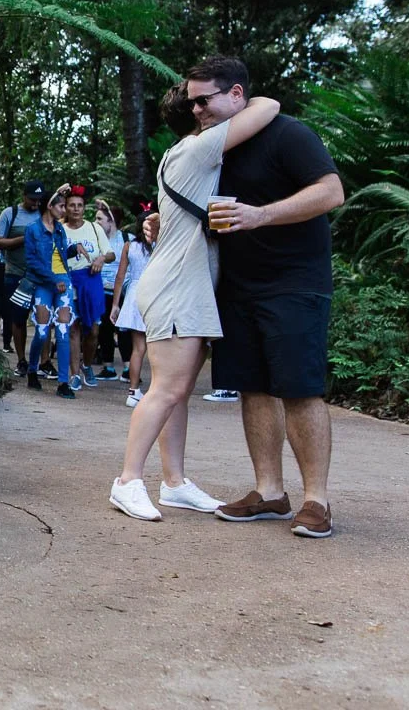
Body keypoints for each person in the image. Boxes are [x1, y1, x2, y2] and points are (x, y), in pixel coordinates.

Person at [188, 56, 344, 538]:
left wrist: (262, 216)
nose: (196, 110)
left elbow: (332, 191)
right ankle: (270, 492)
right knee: (252, 386)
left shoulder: (288, 134)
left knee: (299, 388)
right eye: (191, 101)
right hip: (238, 285)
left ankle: (316, 499)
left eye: (203, 99)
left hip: (295, 283)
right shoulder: (216, 148)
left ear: (237, 95)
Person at [109, 84, 280, 522]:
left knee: (179, 391)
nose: (207, 108)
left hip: (186, 284)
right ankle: (128, 481)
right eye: (200, 103)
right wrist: (234, 98)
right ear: (196, 117)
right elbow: (269, 106)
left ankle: (175, 482)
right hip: (176, 286)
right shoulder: (197, 150)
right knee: (166, 389)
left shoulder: (187, 154)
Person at [22, 189, 75, 397]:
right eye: (61, 206)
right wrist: (53, 279)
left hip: (63, 281)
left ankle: (64, 383)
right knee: (42, 331)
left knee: (63, 331)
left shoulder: (60, 229)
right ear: (49, 206)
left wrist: (74, 248)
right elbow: (32, 262)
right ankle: (32, 370)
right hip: (45, 283)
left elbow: (60, 254)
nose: (64, 209)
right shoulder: (33, 230)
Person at [60, 185, 114, 387]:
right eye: (71, 205)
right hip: (69, 281)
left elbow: (111, 254)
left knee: (92, 331)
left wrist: (101, 258)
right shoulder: (60, 230)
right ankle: (74, 375)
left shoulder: (94, 228)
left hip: (91, 280)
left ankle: (87, 364)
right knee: (73, 328)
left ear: (84, 208)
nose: (75, 209)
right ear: (65, 207)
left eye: (79, 205)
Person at [0, 181, 48, 376]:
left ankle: (44, 362)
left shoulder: (44, 214)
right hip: (15, 274)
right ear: (24, 196)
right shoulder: (10, 213)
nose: (35, 203)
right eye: (32, 199)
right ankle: (22, 360)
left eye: (39, 200)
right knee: (18, 319)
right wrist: (24, 238)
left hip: (40, 276)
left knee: (44, 317)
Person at [110, 210, 153, 407]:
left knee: (139, 348)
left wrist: (115, 304)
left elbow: (120, 277)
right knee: (158, 349)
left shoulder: (130, 246)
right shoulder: (162, 245)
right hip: (155, 294)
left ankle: (133, 391)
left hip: (135, 294)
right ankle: (157, 393)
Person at [92, 199, 127, 380]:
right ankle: (108, 367)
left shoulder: (127, 239)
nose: (96, 222)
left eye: (100, 219)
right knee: (104, 329)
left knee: (124, 330)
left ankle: (128, 368)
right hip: (102, 290)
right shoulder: (95, 240)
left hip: (124, 291)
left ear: (111, 221)